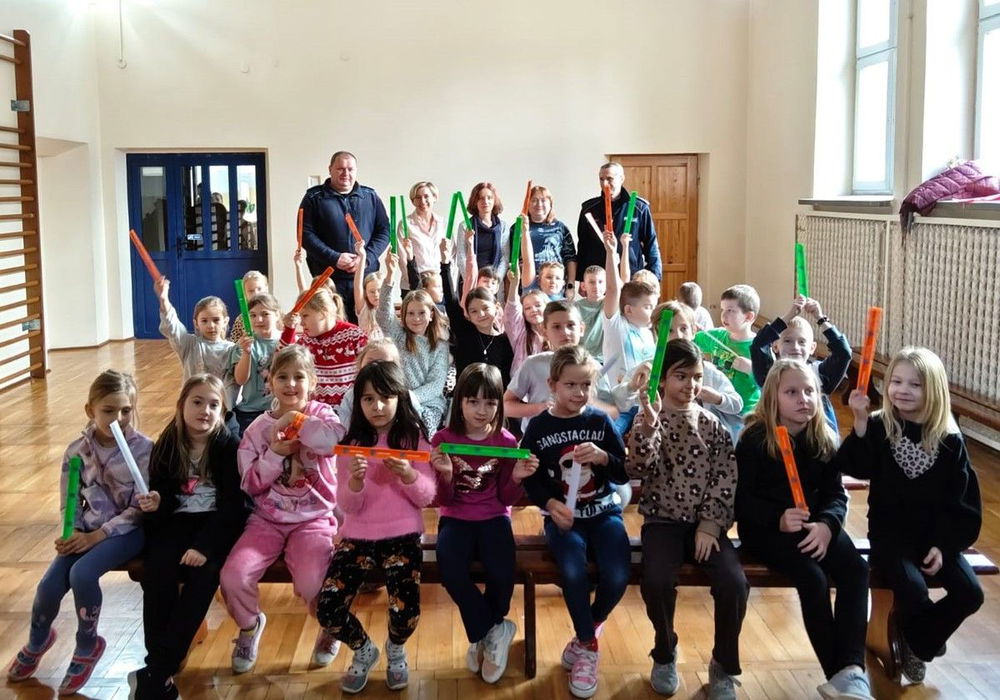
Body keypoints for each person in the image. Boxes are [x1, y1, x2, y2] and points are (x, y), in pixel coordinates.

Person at [842, 347, 983, 685]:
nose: (902, 390)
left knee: (970, 593)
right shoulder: (880, 426)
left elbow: (962, 503)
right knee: (913, 589)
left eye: (915, 384)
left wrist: (943, 546)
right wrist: (860, 421)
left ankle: (919, 640)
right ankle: (922, 639)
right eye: (896, 381)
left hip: (935, 538)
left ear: (933, 390)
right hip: (891, 538)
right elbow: (856, 466)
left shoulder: (949, 440)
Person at [7, 371, 151, 695]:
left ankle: (88, 644)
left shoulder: (143, 449)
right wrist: (71, 530)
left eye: (126, 410)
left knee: (82, 574)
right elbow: (68, 501)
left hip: (127, 531)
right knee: (47, 587)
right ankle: (38, 640)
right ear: (90, 410)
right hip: (87, 529)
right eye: (109, 410)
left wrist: (98, 536)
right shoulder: (76, 451)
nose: (119, 418)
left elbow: (139, 510)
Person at [736, 360, 872, 700]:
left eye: (810, 391)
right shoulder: (754, 440)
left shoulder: (822, 437)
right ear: (773, 397)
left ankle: (852, 669)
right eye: (792, 392)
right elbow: (741, 501)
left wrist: (827, 525)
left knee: (856, 571)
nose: (803, 399)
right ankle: (838, 673)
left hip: (816, 525)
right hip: (767, 532)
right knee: (813, 578)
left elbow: (835, 495)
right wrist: (777, 518)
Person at [626, 339, 745, 699]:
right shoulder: (648, 420)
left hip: (706, 526)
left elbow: (725, 477)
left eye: (696, 377)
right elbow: (636, 467)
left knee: (734, 584)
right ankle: (665, 652)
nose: (691, 385)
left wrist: (710, 525)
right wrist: (649, 425)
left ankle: (724, 663)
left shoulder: (712, 424)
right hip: (662, 522)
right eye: (681, 376)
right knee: (657, 582)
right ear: (662, 380)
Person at [219, 345, 346, 674]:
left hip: (314, 520)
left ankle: (330, 624)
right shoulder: (256, 429)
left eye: (299, 377)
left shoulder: (324, 416)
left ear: (313, 382)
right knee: (233, 576)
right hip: (267, 521)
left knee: (312, 583)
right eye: (283, 377)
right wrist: (275, 453)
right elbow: (250, 483)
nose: (291, 384)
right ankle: (249, 626)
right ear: (270, 382)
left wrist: (296, 421)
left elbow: (334, 443)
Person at [316, 361, 436, 694]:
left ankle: (396, 648)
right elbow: (347, 505)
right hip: (357, 536)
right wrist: (355, 482)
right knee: (328, 608)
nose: (377, 406)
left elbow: (427, 496)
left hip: (403, 535)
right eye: (368, 399)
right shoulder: (351, 443)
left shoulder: (413, 439)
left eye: (385, 397)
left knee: (406, 611)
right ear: (358, 403)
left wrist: (408, 475)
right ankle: (364, 650)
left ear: (400, 398)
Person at [520, 345, 629, 700]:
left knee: (618, 576)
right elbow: (531, 478)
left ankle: (586, 633)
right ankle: (588, 646)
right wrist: (550, 504)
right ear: (553, 385)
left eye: (586, 385)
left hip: (605, 513)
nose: (579, 393)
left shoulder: (599, 421)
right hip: (563, 520)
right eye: (570, 385)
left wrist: (603, 457)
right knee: (571, 571)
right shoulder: (539, 426)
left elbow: (622, 471)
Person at [131, 374, 247, 699]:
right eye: (197, 402)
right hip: (178, 522)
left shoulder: (228, 446)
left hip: (215, 526)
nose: (205, 411)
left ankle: (159, 669)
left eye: (214, 405)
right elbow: (165, 495)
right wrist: (158, 502)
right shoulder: (169, 442)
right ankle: (159, 667)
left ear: (222, 412)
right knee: (157, 571)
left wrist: (203, 546)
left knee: (204, 575)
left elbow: (233, 507)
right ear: (182, 405)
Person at [430, 363, 538, 684]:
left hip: (494, 517)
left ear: (499, 405)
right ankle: (493, 629)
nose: (481, 410)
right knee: (450, 572)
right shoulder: (443, 439)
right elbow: (443, 499)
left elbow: (506, 497)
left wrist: (516, 477)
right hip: (455, 518)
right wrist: (446, 474)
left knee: (502, 573)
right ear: (459, 402)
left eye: (490, 402)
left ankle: (484, 633)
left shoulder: (506, 441)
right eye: (473, 401)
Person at [613, 301, 743, 443]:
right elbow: (620, 403)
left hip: (698, 444)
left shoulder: (706, 371)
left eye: (684, 328)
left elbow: (737, 404)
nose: (678, 336)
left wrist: (718, 398)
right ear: (656, 334)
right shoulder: (647, 369)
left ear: (693, 331)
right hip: (657, 443)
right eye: (669, 331)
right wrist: (632, 386)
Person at [299, 151, 390, 323]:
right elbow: (305, 234)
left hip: (366, 278)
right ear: (330, 169)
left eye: (350, 169)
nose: (345, 173)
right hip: (329, 279)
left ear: (356, 171)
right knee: (331, 327)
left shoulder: (370, 196)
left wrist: (366, 259)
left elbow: (384, 231)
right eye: (340, 169)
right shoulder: (313, 198)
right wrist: (335, 258)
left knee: (367, 328)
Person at [750, 295, 850, 432]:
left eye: (802, 342)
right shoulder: (769, 374)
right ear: (775, 346)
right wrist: (789, 315)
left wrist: (821, 319)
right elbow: (758, 346)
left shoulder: (818, 374)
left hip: (815, 438)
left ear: (812, 348)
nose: (795, 347)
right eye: (787, 341)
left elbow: (844, 353)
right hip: (777, 438)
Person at [378, 253, 450, 434]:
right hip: (398, 402)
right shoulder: (398, 335)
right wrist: (389, 277)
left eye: (421, 313)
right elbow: (383, 315)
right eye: (410, 313)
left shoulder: (440, 345)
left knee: (421, 429)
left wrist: (408, 399)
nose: (416, 318)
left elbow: (435, 385)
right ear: (403, 315)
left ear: (431, 315)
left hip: (429, 405)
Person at [600, 231, 658, 434]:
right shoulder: (616, 325)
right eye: (648, 307)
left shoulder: (650, 333)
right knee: (611, 439)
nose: (654, 311)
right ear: (629, 309)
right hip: (619, 406)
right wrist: (611, 253)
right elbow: (613, 288)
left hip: (645, 404)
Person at [155, 277, 238, 413]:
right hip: (192, 408)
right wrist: (164, 299)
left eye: (216, 320)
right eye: (204, 321)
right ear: (196, 323)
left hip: (220, 411)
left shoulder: (231, 349)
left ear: (225, 321)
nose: (211, 325)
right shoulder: (189, 344)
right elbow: (172, 326)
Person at [440, 240, 515, 388]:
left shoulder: (505, 342)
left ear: (496, 307)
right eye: (474, 311)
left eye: (485, 308)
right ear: (467, 314)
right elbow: (451, 299)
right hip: (465, 396)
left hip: (493, 399)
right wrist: (445, 264)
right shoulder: (464, 330)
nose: (481, 314)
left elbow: (506, 379)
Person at [280, 287, 368, 407]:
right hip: (317, 413)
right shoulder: (305, 342)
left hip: (351, 410)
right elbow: (282, 362)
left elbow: (370, 372)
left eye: (305, 316)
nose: (301, 323)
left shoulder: (354, 336)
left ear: (323, 312)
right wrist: (288, 331)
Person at [574, 162, 661, 283]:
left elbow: (651, 244)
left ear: (621, 179)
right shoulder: (589, 209)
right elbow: (583, 246)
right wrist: (581, 279)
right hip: (598, 279)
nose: (605, 184)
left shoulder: (639, 208)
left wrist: (654, 277)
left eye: (610, 179)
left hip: (630, 276)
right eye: (601, 179)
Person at [694, 284, 761, 415]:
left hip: (744, 415)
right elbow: (690, 340)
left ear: (749, 317)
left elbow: (770, 382)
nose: (724, 315)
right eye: (723, 309)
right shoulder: (717, 336)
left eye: (730, 310)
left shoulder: (759, 347)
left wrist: (751, 369)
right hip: (717, 407)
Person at [230, 292, 282, 435]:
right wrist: (246, 352)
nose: (258, 319)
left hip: (280, 411)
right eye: (253, 315)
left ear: (277, 314)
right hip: (250, 411)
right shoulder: (243, 344)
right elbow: (240, 380)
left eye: (265, 314)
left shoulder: (287, 341)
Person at [454, 182, 510, 291]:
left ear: (494, 200)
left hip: (494, 285)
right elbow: (461, 257)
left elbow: (505, 258)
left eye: (489, 198)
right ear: (475, 201)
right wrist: (473, 282)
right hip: (470, 284)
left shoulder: (503, 226)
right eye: (481, 198)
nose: (485, 201)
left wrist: (495, 282)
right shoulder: (465, 226)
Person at [525, 185, 577, 295]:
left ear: (550, 204)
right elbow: (512, 261)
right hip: (528, 286)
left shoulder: (560, 228)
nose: (539, 204)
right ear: (527, 204)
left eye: (543, 200)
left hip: (555, 287)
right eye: (534, 200)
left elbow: (570, 258)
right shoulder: (518, 228)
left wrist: (570, 286)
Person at [399, 181, 446, 289]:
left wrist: (445, 281)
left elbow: (450, 255)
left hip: (438, 285)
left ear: (434, 197)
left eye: (426, 196)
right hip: (413, 284)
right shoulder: (405, 224)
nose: (423, 201)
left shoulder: (442, 223)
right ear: (413, 201)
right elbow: (402, 258)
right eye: (418, 197)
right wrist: (415, 284)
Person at [351, 238, 384, 341]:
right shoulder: (363, 309)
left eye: (379, 290)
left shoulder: (387, 310)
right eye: (372, 291)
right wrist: (363, 256)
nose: (376, 294)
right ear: (366, 293)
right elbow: (357, 284)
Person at [575, 265, 607, 362]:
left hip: (604, 359)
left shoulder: (609, 303)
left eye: (600, 282)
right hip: (582, 358)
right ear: (583, 286)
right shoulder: (575, 307)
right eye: (591, 282)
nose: (596, 286)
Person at [229, 271, 269, 343]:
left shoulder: (275, 313)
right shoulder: (241, 319)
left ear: (266, 288)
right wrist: (241, 343)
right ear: (245, 294)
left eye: (259, 289)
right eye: (251, 291)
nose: (256, 293)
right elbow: (233, 344)